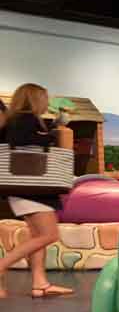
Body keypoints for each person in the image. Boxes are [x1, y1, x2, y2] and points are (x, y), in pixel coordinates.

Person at [0, 84, 74, 298]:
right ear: (35, 99)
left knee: (37, 236)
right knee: (49, 235)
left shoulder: (17, 120)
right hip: (33, 188)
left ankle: (40, 283)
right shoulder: (25, 119)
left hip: (26, 188)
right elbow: (21, 139)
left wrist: (54, 126)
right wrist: (51, 138)